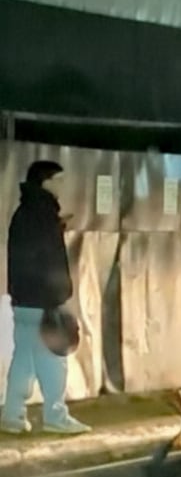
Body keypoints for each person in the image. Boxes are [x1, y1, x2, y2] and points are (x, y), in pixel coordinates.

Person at [3, 161, 90, 435]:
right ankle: (56, 416)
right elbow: (48, 260)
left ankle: (12, 415)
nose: (64, 185)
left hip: (24, 300)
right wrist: (61, 298)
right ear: (46, 182)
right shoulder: (43, 214)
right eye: (59, 180)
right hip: (44, 302)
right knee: (54, 360)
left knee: (25, 360)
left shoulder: (26, 212)